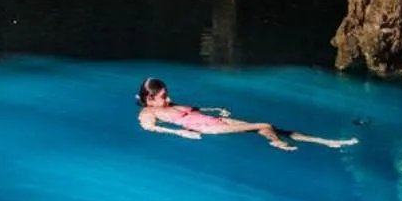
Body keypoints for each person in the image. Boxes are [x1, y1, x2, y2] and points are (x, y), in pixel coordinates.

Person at [136, 78, 357, 151]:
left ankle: (326, 141)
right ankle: (278, 145)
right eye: (163, 96)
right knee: (263, 125)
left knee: (273, 127)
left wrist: (215, 110)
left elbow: (192, 109)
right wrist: (181, 134)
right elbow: (150, 128)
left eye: (167, 94)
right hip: (206, 128)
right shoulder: (148, 112)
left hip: (214, 120)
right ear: (150, 99)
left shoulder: (168, 105)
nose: (168, 98)